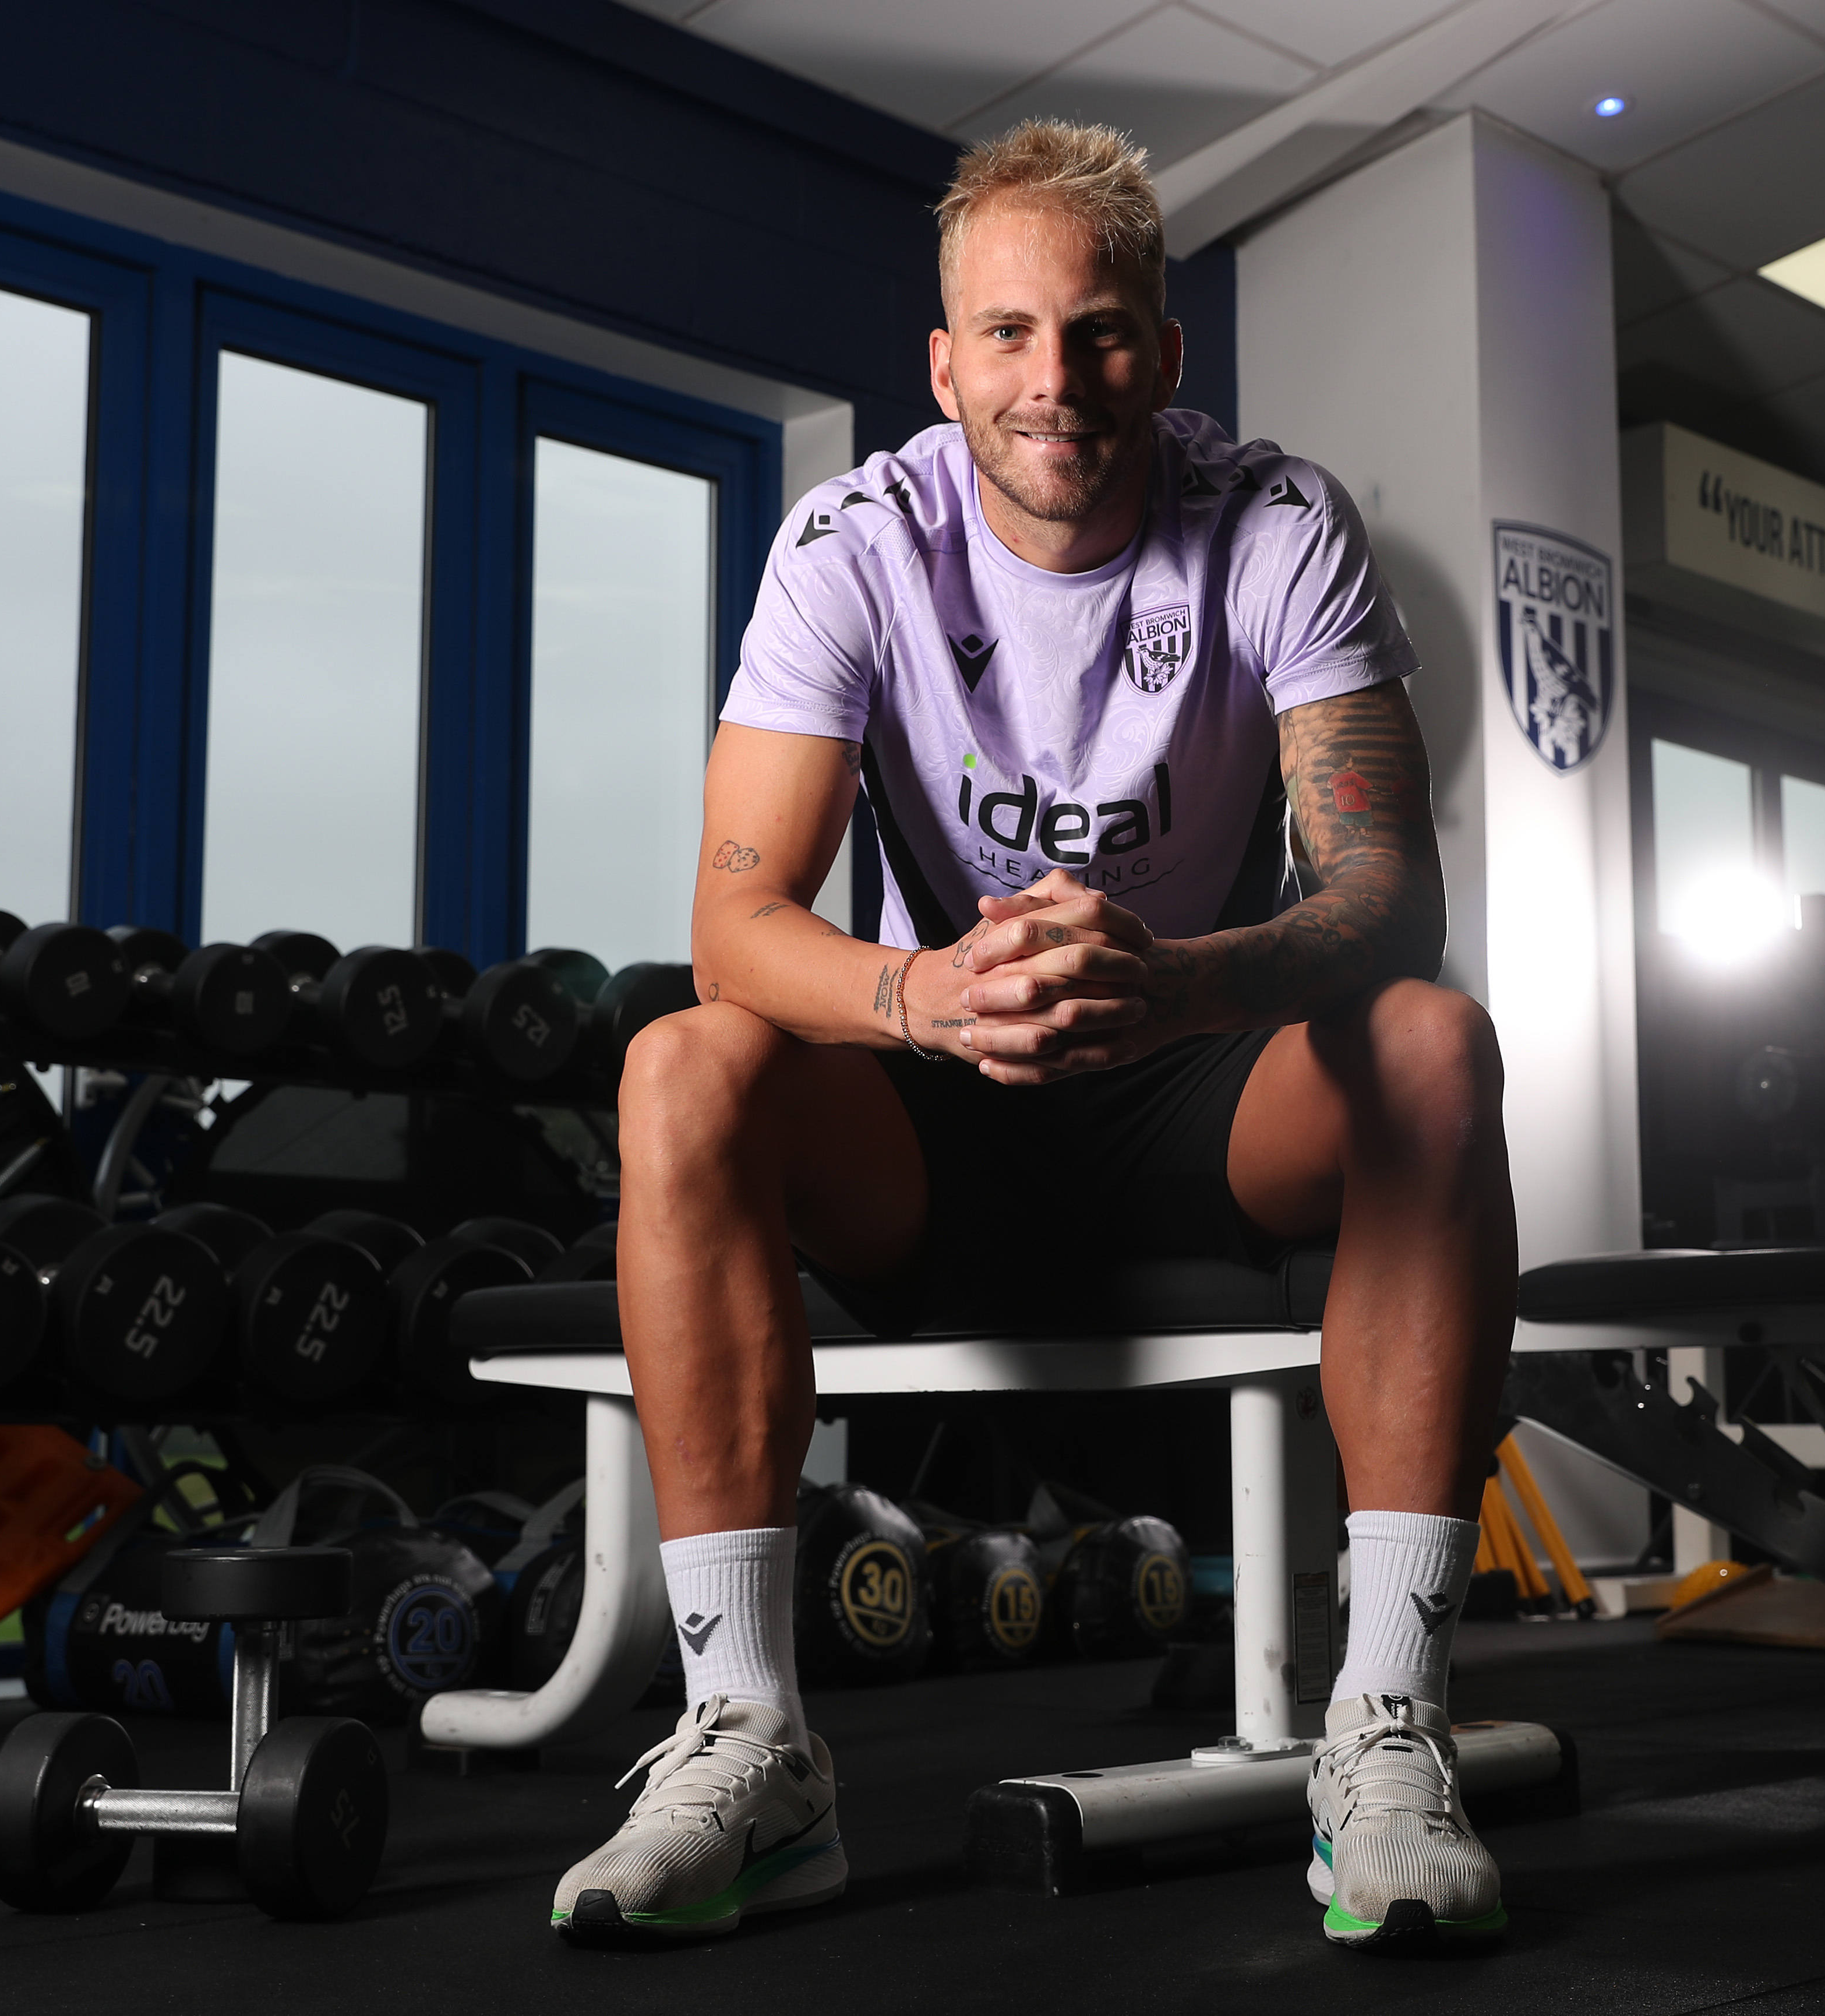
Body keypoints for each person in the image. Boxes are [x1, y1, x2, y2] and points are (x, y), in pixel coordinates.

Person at [552, 119, 1518, 1953]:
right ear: (942, 365)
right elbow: (733, 926)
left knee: (1432, 1043)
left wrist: (1182, 981)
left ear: (1163, 350)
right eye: (1004, 336)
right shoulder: (856, 543)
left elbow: (1390, 891)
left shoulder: (1276, 523)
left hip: (1203, 1078)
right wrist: (923, 992)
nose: (1050, 380)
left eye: (1095, 333)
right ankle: (750, 1736)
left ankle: (1387, 1727)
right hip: (942, 1099)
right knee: (681, 1055)